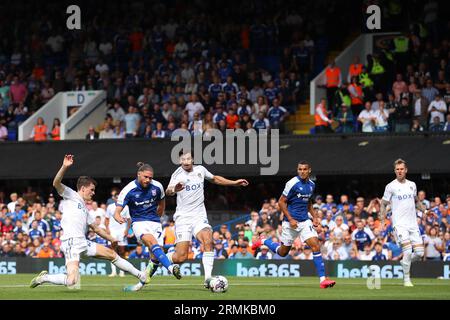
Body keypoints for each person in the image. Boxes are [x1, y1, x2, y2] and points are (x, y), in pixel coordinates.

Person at [30, 155, 148, 290]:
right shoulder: (71, 194)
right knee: (71, 281)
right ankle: (44, 278)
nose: (93, 193)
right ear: (83, 188)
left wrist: (112, 239)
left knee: (112, 255)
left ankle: (141, 276)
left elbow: (96, 229)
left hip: (83, 242)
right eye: (91, 190)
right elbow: (56, 183)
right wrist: (65, 166)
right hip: (71, 243)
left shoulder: (86, 210)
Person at [162, 150, 248, 289]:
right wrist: (175, 189)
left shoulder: (200, 170)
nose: (186, 161)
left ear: (193, 160)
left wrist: (234, 183)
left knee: (208, 239)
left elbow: (215, 179)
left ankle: (208, 278)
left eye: (188, 159)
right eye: (183, 159)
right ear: (180, 161)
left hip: (199, 216)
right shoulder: (177, 174)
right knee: (181, 257)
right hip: (183, 218)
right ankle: (162, 257)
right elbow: (168, 191)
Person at [253, 161, 336, 289]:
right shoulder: (292, 183)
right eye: (300, 169)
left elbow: (308, 202)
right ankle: (264, 241)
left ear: (309, 170)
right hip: (290, 223)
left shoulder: (312, 185)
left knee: (315, 246)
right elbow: (281, 202)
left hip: (305, 221)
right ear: (298, 170)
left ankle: (323, 280)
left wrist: (314, 217)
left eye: (304, 169)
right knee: (282, 252)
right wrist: (290, 219)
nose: (302, 171)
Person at [114, 162, 181, 291]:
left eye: (150, 178)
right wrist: (118, 217)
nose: (148, 180)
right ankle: (171, 268)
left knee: (155, 257)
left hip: (155, 222)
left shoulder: (157, 186)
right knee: (152, 242)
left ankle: (141, 284)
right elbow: (117, 212)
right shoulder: (128, 190)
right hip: (139, 223)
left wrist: (159, 215)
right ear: (139, 174)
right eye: (145, 177)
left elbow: (161, 201)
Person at [380, 159, 426, 287]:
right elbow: (383, 204)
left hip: (413, 224)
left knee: (419, 253)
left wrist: (426, 211)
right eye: (397, 169)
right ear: (395, 171)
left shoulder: (412, 185)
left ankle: (405, 263)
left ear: (406, 170)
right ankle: (406, 279)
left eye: (401, 169)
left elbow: (416, 201)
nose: (399, 171)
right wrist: (383, 220)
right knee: (407, 250)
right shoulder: (390, 186)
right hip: (399, 224)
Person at [105, 194, 131, 277]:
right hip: (112, 231)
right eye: (117, 197)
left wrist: (127, 230)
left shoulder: (126, 207)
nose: (118, 199)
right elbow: (106, 219)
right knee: (112, 251)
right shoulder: (110, 207)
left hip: (122, 230)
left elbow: (129, 220)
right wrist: (107, 229)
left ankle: (122, 271)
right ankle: (113, 271)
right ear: (114, 198)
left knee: (122, 251)